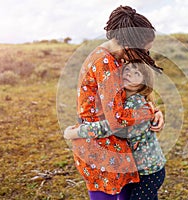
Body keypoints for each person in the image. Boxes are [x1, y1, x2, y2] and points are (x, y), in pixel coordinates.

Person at [64, 5, 164, 200]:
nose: (146, 57)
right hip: (100, 143)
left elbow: (130, 95)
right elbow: (117, 119)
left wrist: (153, 109)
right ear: (129, 44)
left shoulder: (117, 57)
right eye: (144, 51)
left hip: (117, 142)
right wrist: (147, 113)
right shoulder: (105, 63)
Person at [65, 62, 166, 200]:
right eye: (127, 70)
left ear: (145, 81)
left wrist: (77, 132)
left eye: (137, 73)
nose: (130, 74)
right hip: (141, 170)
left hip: (149, 172)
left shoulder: (134, 103)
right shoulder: (123, 99)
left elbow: (111, 126)